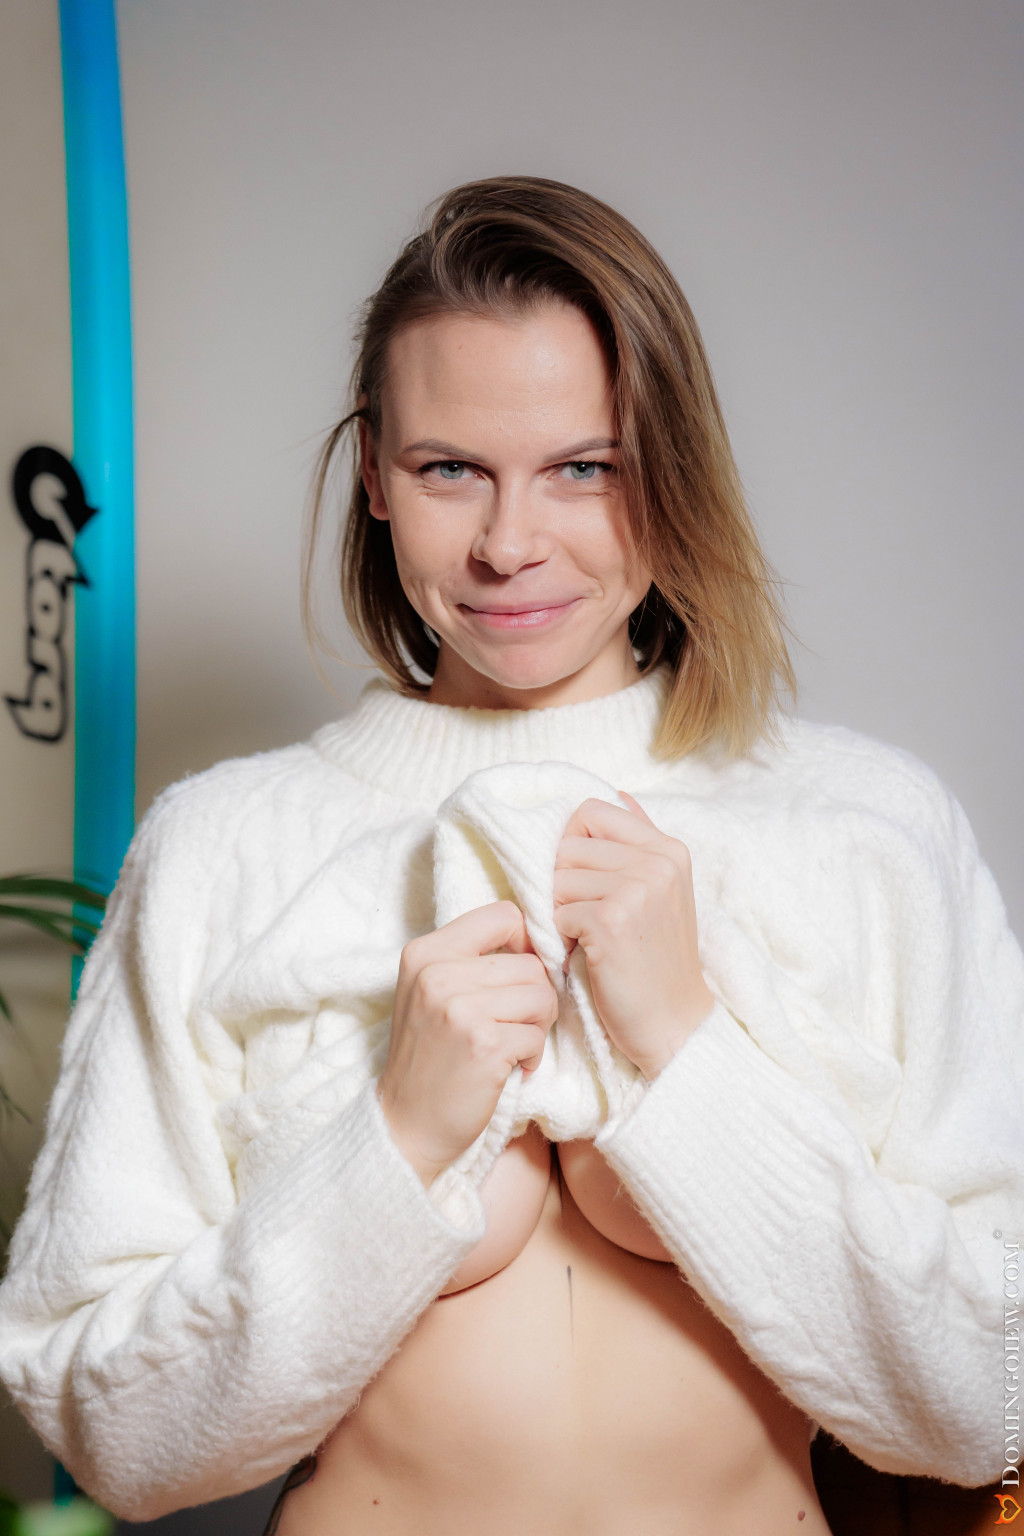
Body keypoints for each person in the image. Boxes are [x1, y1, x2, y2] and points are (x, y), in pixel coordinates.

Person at [0, 175, 1020, 1536]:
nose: (509, 544)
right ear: (375, 472)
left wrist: (689, 1047)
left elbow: (991, 1400)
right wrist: (395, 1135)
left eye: (585, 468)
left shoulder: (867, 829)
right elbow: (111, 1435)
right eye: (450, 470)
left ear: (674, 470)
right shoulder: (224, 846)